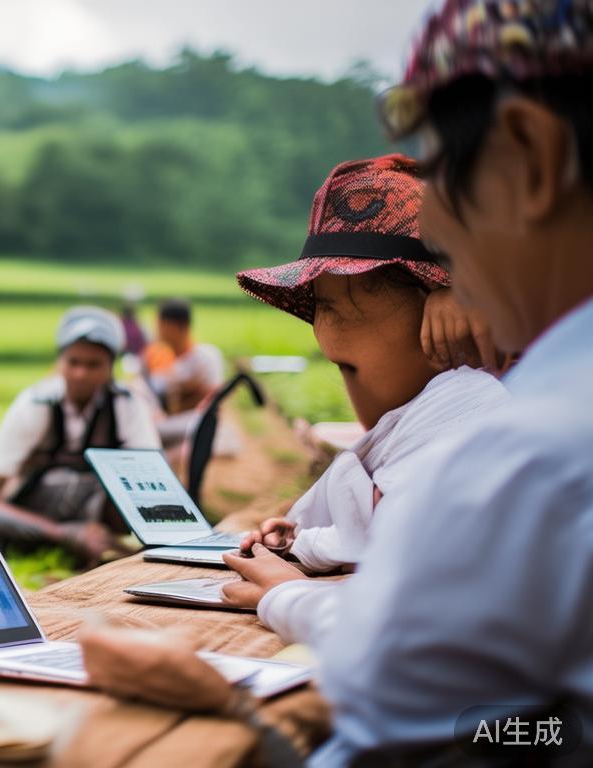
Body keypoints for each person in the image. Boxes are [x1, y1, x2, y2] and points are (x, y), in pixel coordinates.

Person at [83, 1, 593, 763]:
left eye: (446, 170)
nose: (442, 229)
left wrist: (224, 694)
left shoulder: (524, 453)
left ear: (530, 156)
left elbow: (425, 713)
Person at [228, 155, 507, 589]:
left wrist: (289, 589)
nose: (351, 389)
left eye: (349, 368)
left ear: (447, 324)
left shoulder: (478, 406)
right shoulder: (414, 427)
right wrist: (300, 538)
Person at [0, 306, 161, 566]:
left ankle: (103, 545)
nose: (80, 374)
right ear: (60, 361)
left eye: (93, 364)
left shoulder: (126, 404)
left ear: (111, 367)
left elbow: (153, 480)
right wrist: (63, 533)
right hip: (28, 517)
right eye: (73, 362)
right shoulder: (37, 404)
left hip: (92, 515)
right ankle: (71, 541)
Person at [150, 298, 225, 450]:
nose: (155, 329)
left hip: (195, 420)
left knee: (148, 430)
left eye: (159, 324)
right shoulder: (159, 357)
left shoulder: (205, 358)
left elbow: (212, 400)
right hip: (170, 420)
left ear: (173, 327)